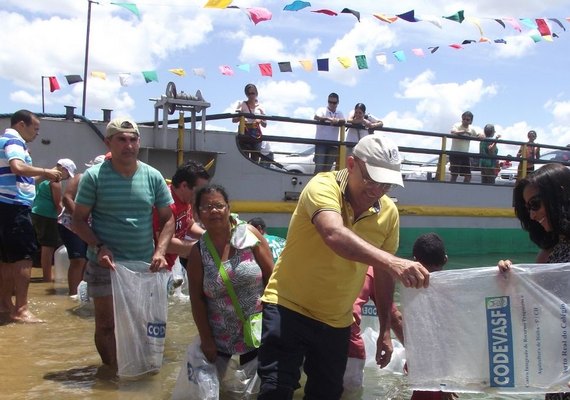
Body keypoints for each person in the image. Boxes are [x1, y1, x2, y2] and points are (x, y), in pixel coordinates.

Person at [257, 134, 430, 400]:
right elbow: (333, 234)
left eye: (387, 184)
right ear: (351, 164)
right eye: (371, 179)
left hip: (337, 321)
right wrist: (393, 261)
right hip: (288, 306)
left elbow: (384, 277)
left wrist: (385, 331)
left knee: (326, 395)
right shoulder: (322, 186)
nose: (377, 190)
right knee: (274, 390)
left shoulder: (389, 213)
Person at [72, 117, 174, 370]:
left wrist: (160, 251)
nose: (128, 145)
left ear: (139, 142)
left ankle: (138, 370)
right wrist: (98, 246)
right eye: (121, 139)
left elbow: (168, 218)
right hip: (105, 264)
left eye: (133, 139)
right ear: (109, 142)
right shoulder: (94, 177)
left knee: (141, 323)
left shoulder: (153, 176)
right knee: (106, 324)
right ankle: (113, 373)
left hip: (143, 266)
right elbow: (78, 221)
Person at [186, 185, 273, 390]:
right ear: (198, 214)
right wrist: (206, 340)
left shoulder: (249, 235)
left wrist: (276, 325)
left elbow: (273, 278)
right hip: (222, 345)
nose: (214, 211)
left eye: (219, 205)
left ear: (228, 208)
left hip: (260, 337)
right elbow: (196, 299)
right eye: (206, 207)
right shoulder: (198, 253)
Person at [497, 163, 570, 400]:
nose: (532, 214)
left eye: (536, 204)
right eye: (528, 207)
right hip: (558, 374)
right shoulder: (550, 253)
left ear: (560, 195)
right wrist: (510, 282)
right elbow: (529, 317)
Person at [0, 110, 62, 323]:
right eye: (35, 128)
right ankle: (22, 309)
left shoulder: (4, 140)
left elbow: (20, 176)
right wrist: (45, 172)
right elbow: (17, 167)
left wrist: (43, 174)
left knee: (6, 259)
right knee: (23, 257)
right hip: (14, 206)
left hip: (5, 205)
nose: (37, 133)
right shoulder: (14, 142)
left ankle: (5, 305)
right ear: (21, 125)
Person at [407, 233, 457, 400]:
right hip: (446, 370)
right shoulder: (453, 290)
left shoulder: (410, 290)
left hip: (425, 370)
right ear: (446, 260)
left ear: (415, 261)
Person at [57, 155, 105, 295]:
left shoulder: (104, 182)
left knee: (87, 259)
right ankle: (73, 294)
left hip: (89, 227)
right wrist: (79, 218)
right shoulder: (80, 177)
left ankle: (83, 293)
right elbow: (66, 198)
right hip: (70, 224)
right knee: (78, 259)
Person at [152, 160, 210, 270]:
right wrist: (201, 248)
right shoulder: (166, 204)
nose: (202, 196)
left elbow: (189, 224)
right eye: (199, 191)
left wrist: (208, 236)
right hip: (157, 267)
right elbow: (166, 245)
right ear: (184, 185)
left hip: (172, 265)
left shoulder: (185, 201)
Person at [31, 158, 77, 283]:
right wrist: (66, 218)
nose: (67, 178)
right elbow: (58, 204)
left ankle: (46, 275)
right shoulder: (55, 181)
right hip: (46, 215)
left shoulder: (45, 177)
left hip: (37, 213)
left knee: (45, 245)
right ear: (64, 169)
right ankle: (47, 277)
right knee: (48, 246)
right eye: (68, 175)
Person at [233, 83, 267, 163]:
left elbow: (265, 124)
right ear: (246, 94)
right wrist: (241, 117)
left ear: (256, 93)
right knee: (244, 159)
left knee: (255, 160)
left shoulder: (261, 107)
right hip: (245, 134)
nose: (251, 95)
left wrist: (260, 120)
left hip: (256, 135)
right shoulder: (242, 104)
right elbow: (234, 119)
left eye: (253, 93)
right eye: (248, 93)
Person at [314, 92, 345, 173]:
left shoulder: (339, 113)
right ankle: (316, 184)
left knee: (327, 169)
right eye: (330, 102)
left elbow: (344, 121)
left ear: (338, 103)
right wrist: (330, 119)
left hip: (333, 145)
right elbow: (316, 116)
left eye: (334, 103)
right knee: (319, 168)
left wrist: (337, 121)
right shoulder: (321, 110)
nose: (331, 104)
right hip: (321, 143)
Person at [449, 111, 484, 183]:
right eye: (463, 119)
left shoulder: (471, 129)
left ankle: (463, 190)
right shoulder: (457, 125)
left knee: (468, 176)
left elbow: (480, 135)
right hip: (455, 153)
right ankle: (450, 190)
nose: (465, 121)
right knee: (454, 175)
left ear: (471, 121)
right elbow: (453, 132)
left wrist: (480, 135)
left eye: (467, 120)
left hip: (465, 154)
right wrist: (464, 132)